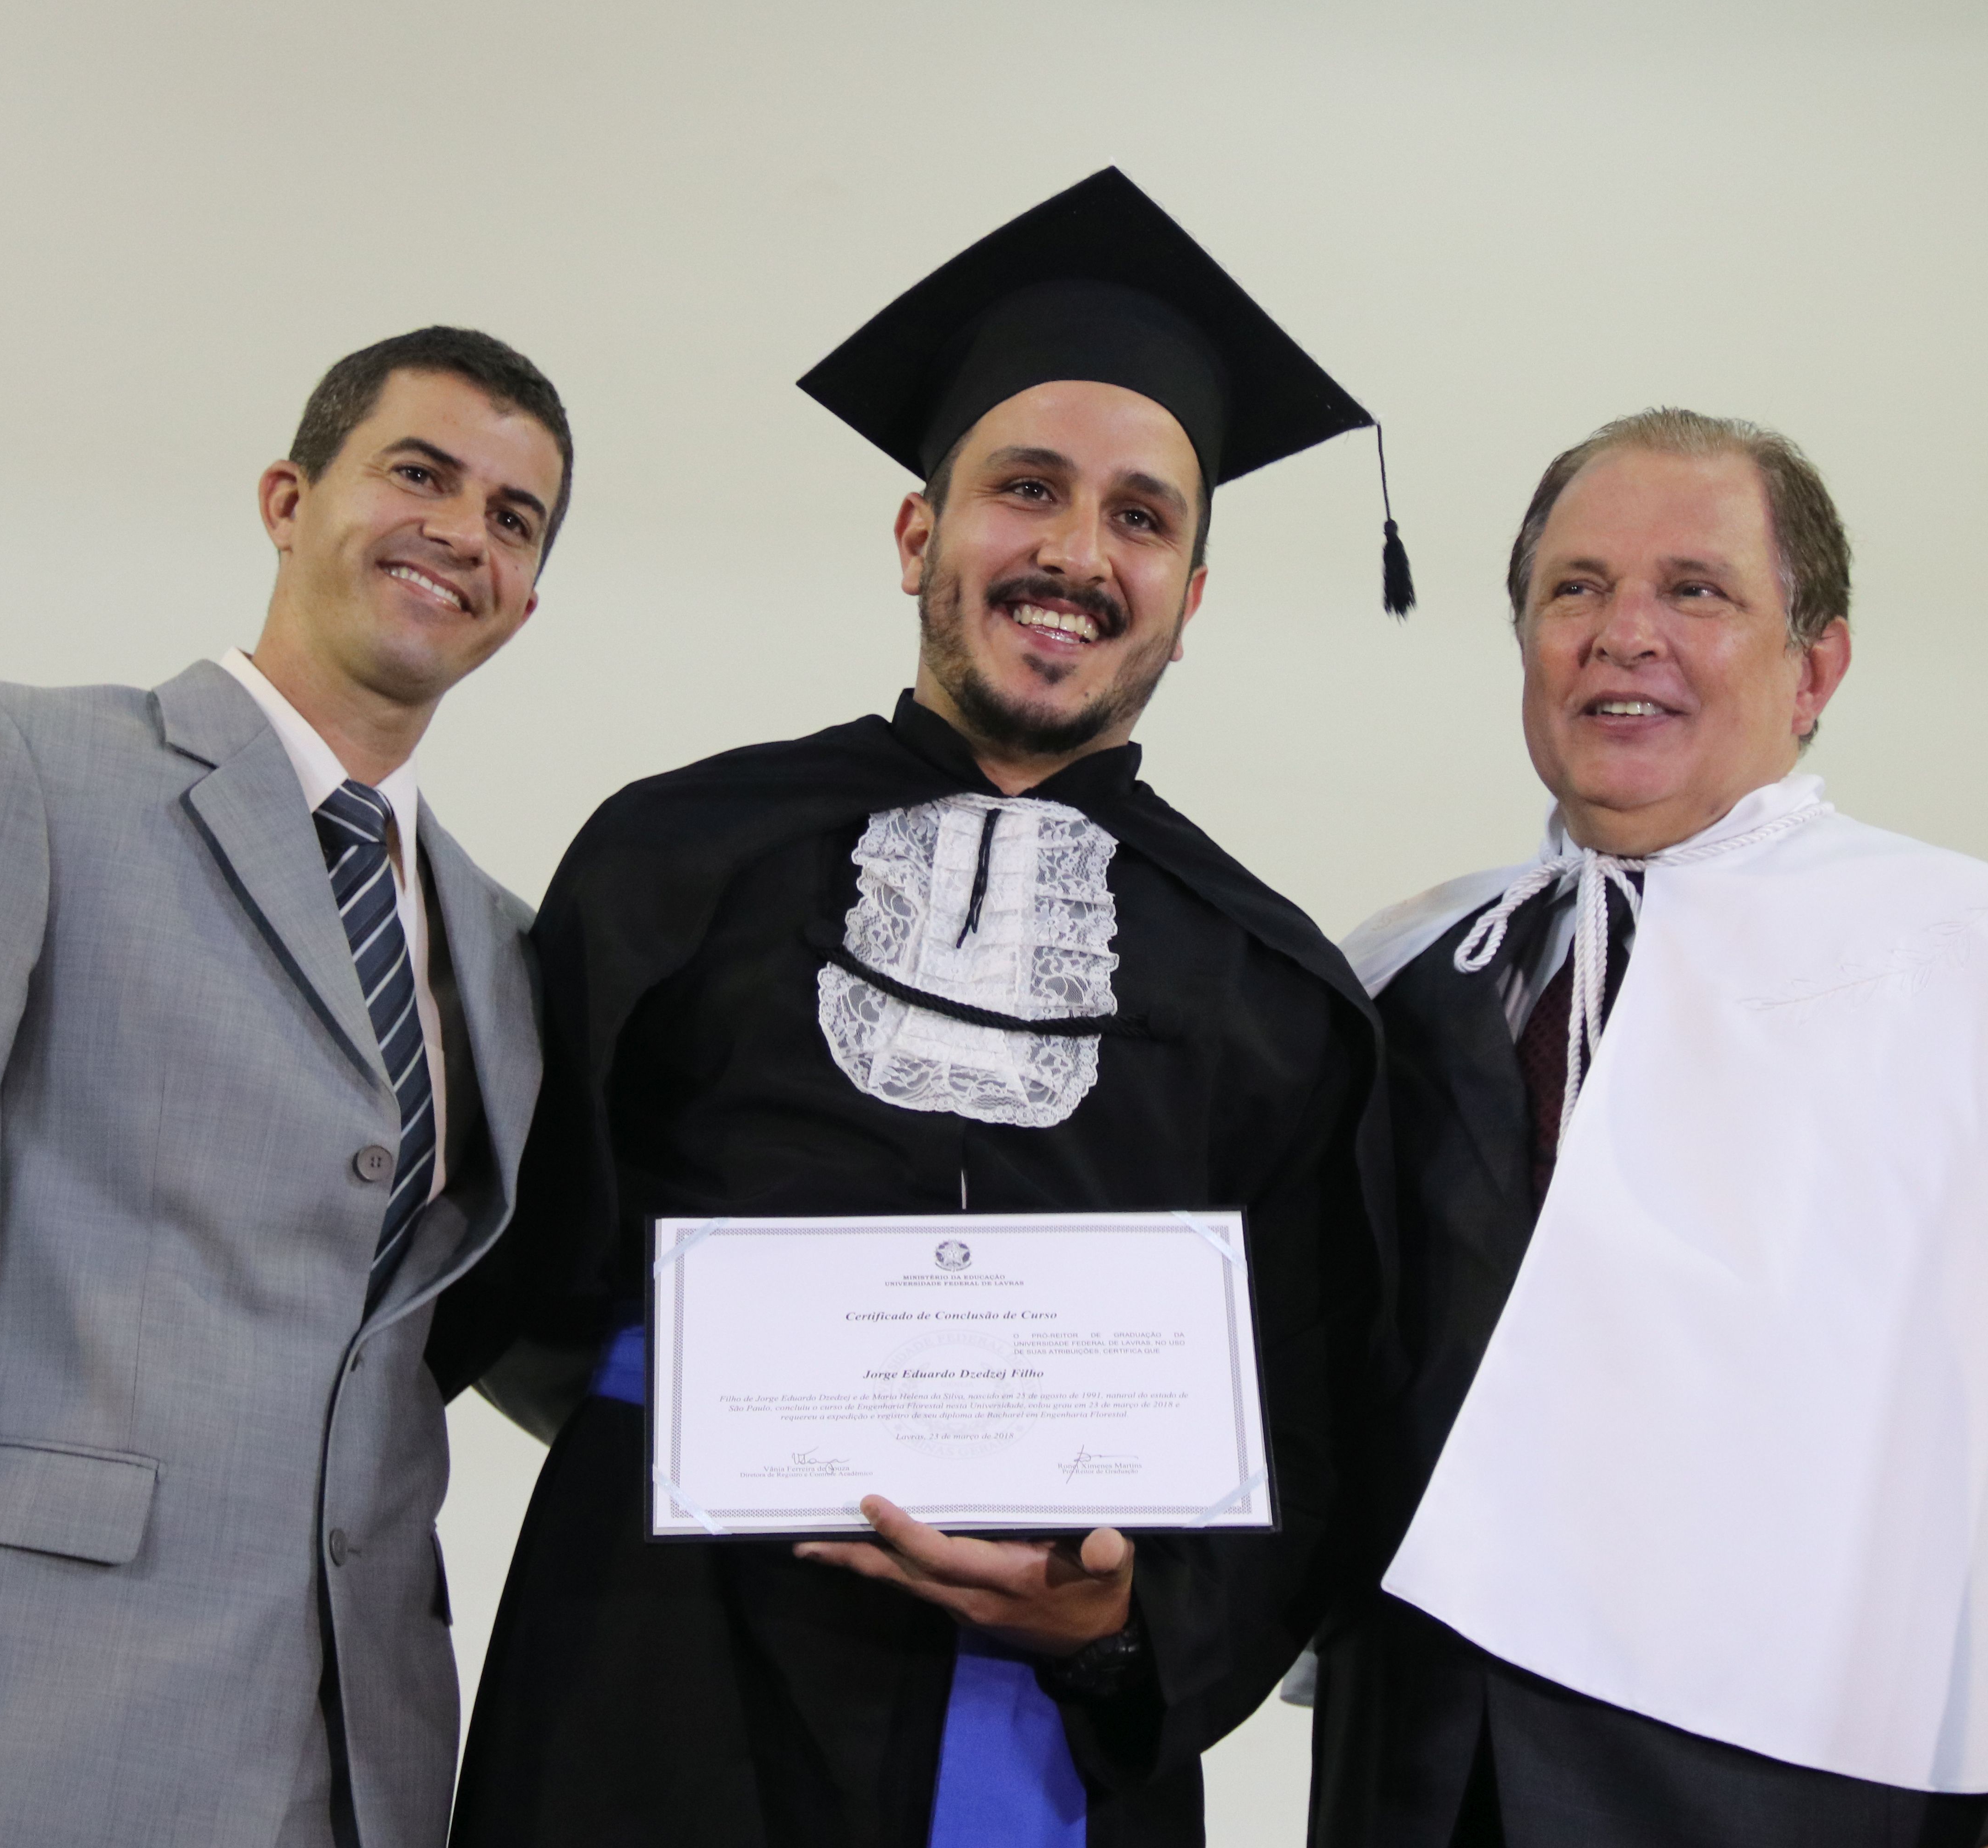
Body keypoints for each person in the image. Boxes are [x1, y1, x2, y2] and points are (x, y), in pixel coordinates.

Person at [429, 168, 1393, 1847]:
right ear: (917, 536)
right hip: (654, 1683)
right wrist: (717, 1409)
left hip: (1037, 1740)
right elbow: (513, 1264)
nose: (1076, 552)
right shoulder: (674, 860)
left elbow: (1308, 1437)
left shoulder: (1278, 990)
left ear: (1188, 597)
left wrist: (1125, 1620)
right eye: (1027, 490)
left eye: (1142, 518)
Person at [1306, 408, 1988, 1847]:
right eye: (1576, 588)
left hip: (1798, 1793)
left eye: (1696, 590)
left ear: (1816, 667)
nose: (1624, 634)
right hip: (1414, 1784)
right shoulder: (1401, 974)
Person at [0, 327, 568, 1848]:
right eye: (420, 474)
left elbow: (513, 1331)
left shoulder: (509, 950)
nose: (463, 531)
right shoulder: (23, 768)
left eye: (513, 519)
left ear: (524, 603)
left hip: (350, 1763)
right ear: (288, 500)